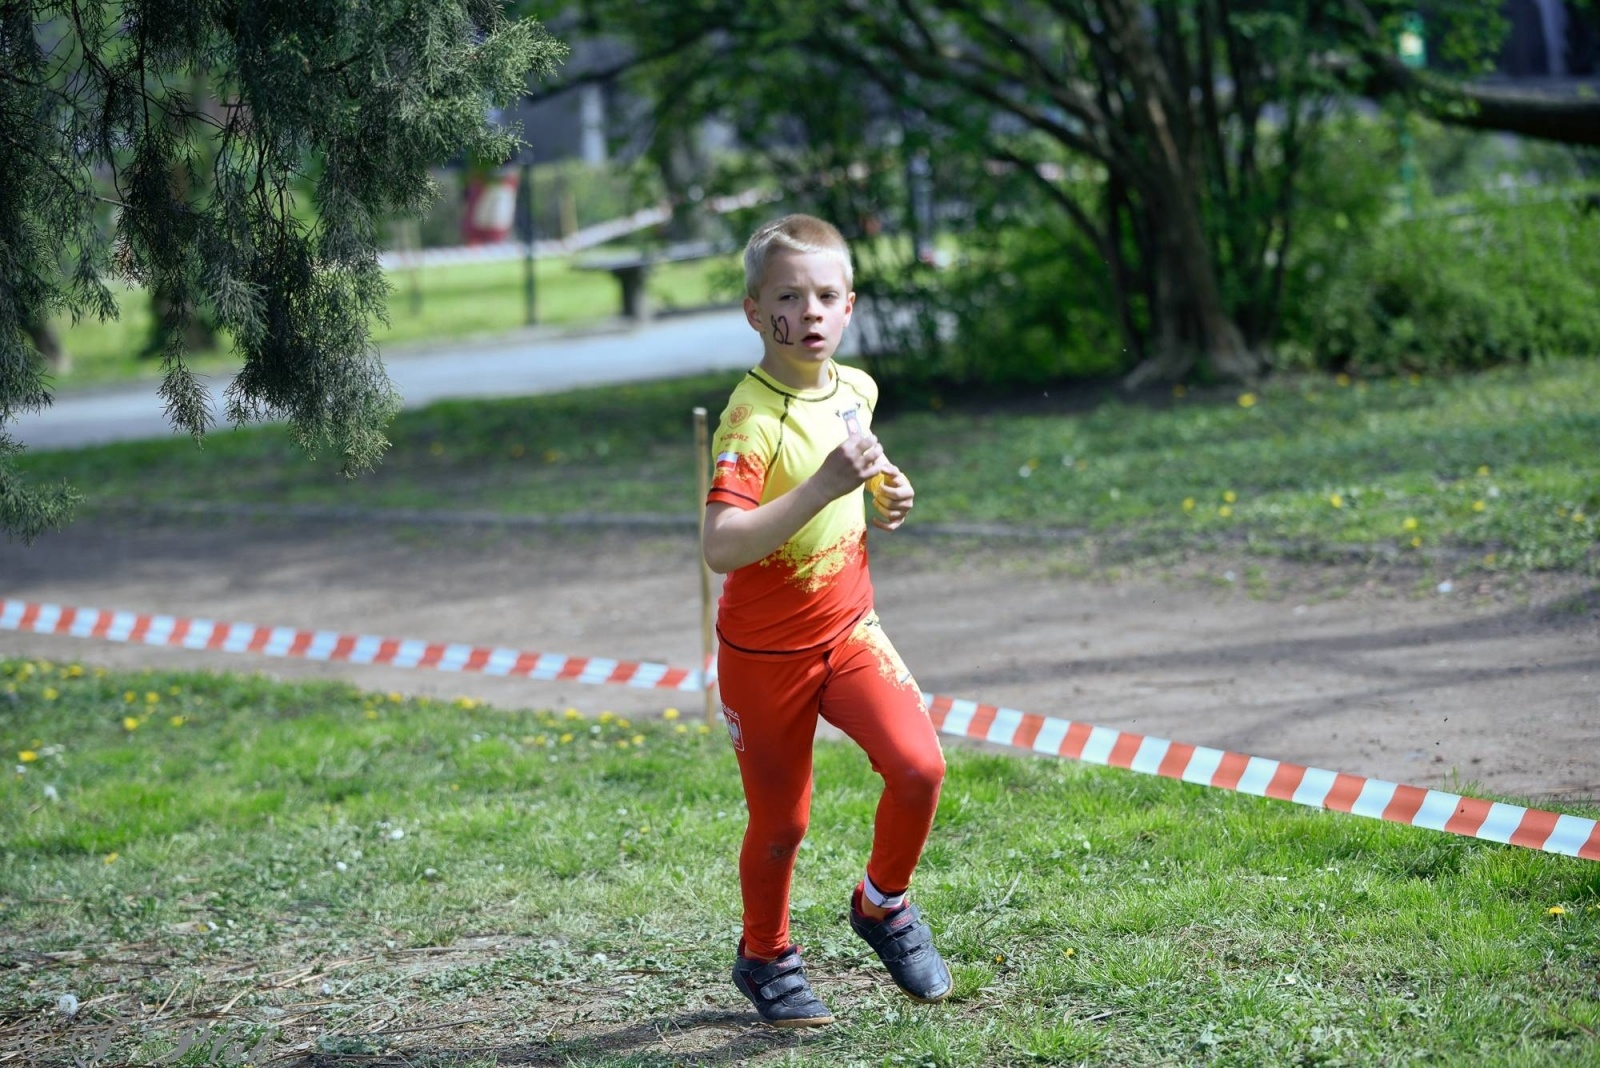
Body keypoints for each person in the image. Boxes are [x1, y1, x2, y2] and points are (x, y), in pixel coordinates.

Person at [702, 214, 951, 1027]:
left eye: (825, 296)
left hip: (850, 633)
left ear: (850, 306)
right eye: (787, 296)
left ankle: (882, 904)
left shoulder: (857, 388)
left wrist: (889, 493)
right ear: (753, 311)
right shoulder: (750, 420)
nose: (808, 312)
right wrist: (823, 488)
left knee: (919, 767)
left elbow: (861, 469)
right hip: (764, 655)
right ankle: (765, 954)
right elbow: (720, 545)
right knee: (783, 821)